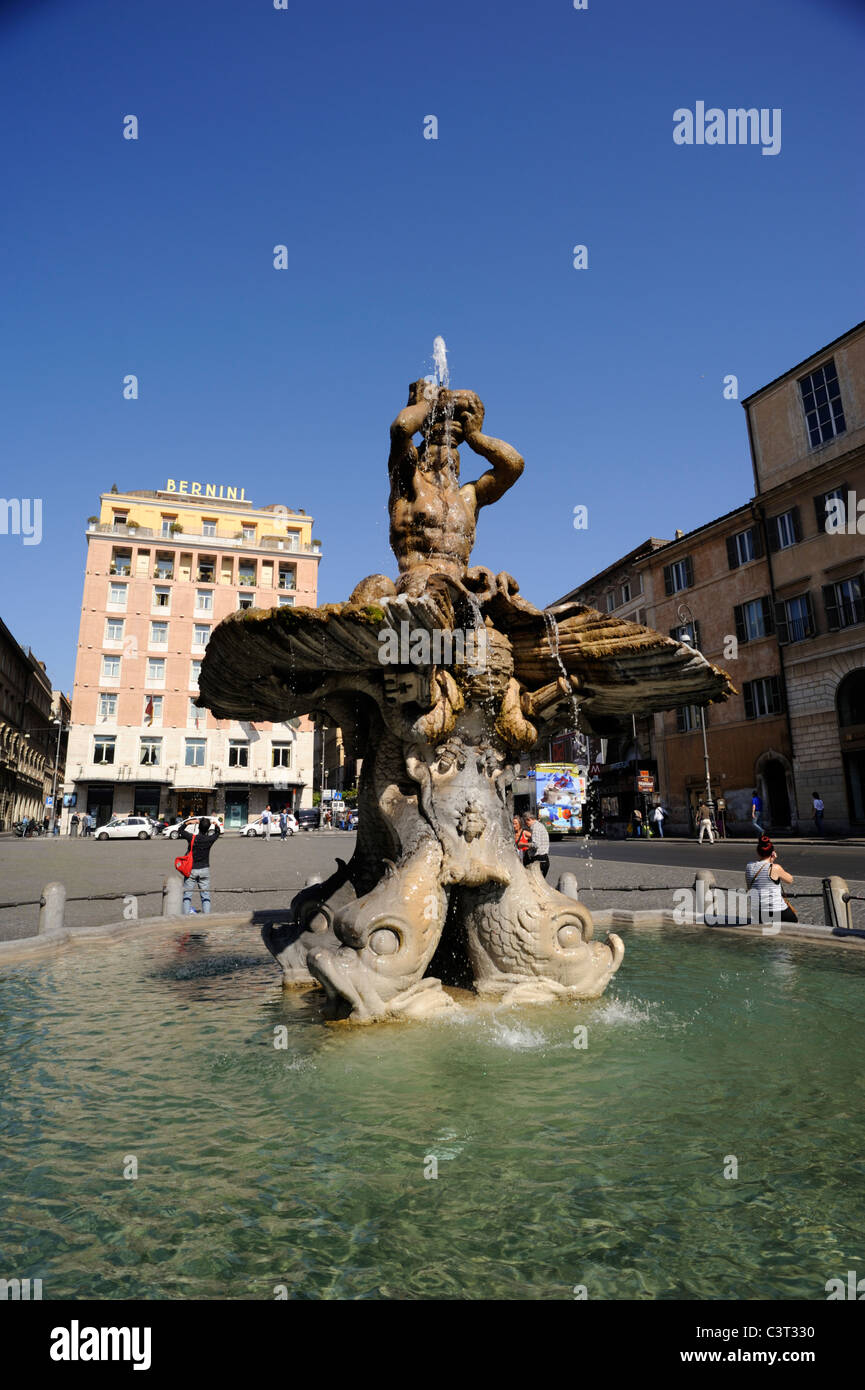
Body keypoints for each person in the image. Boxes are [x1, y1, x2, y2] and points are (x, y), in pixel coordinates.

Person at [746, 834, 797, 925]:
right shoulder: (775, 868)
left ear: (758, 852)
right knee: (795, 921)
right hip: (777, 910)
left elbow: (750, 887)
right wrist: (772, 862)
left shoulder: (749, 866)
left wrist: (771, 861)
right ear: (772, 853)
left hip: (759, 911)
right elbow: (790, 880)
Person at [178, 815, 221, 915]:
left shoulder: (192, 838)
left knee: (187, 895)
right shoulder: (210, 839)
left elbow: (180, 830)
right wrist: (215, 825)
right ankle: (206, 918)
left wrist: (188, 822)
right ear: (208, 828)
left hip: (191, 870)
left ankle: (186, 918)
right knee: (205, 896)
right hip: (204, 869)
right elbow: (217, 833)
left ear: (198, 827)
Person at [522, 812, 550, 878]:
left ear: (529, 819)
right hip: (543, 859)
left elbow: (536, 845)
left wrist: (523, 844)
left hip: (539, 860)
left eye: (526, 822)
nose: (526, 825)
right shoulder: (540, 825)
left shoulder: (535, 827)